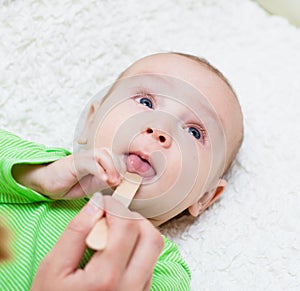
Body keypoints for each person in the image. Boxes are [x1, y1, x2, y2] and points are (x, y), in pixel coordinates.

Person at [0, 52, 243, 290]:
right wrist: (35, 177)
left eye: (194, 132)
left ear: (204, 197)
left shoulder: (163, 271)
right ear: (90, 122)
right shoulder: (29, 161)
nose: (160, 129)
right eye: (146, 102)